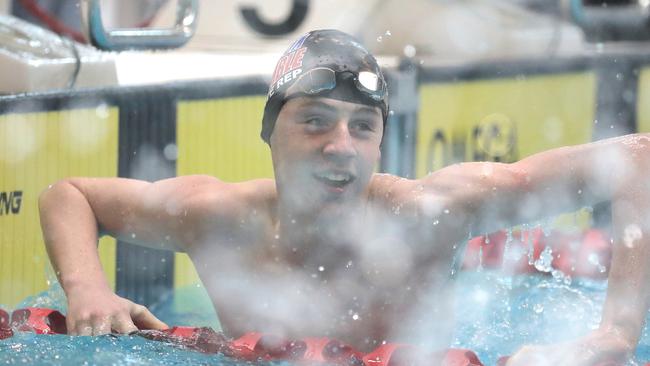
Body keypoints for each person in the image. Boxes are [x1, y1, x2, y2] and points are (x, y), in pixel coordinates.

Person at [39, 29, 650, 365]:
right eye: (315, 121)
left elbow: (635, 160)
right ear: (269, 133)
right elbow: (69, 194)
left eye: (363, 127)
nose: (341, 147)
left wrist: (616, 335)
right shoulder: (220, 219)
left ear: (382, 143)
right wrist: (87, 288)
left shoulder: (430, 214)